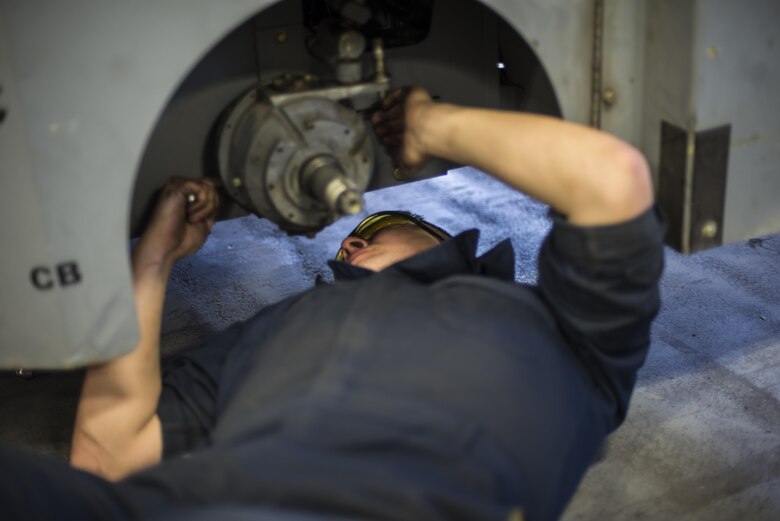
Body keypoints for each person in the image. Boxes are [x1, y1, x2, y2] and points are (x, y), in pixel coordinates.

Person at [2, 87, 663, 521]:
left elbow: (612, 177)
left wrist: (425, 125)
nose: (348, 243)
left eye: (372, 230)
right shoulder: (266, 331)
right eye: (350, 243)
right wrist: (153, 259)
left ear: (447, 240)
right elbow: (108, 452)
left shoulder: (573, 338)